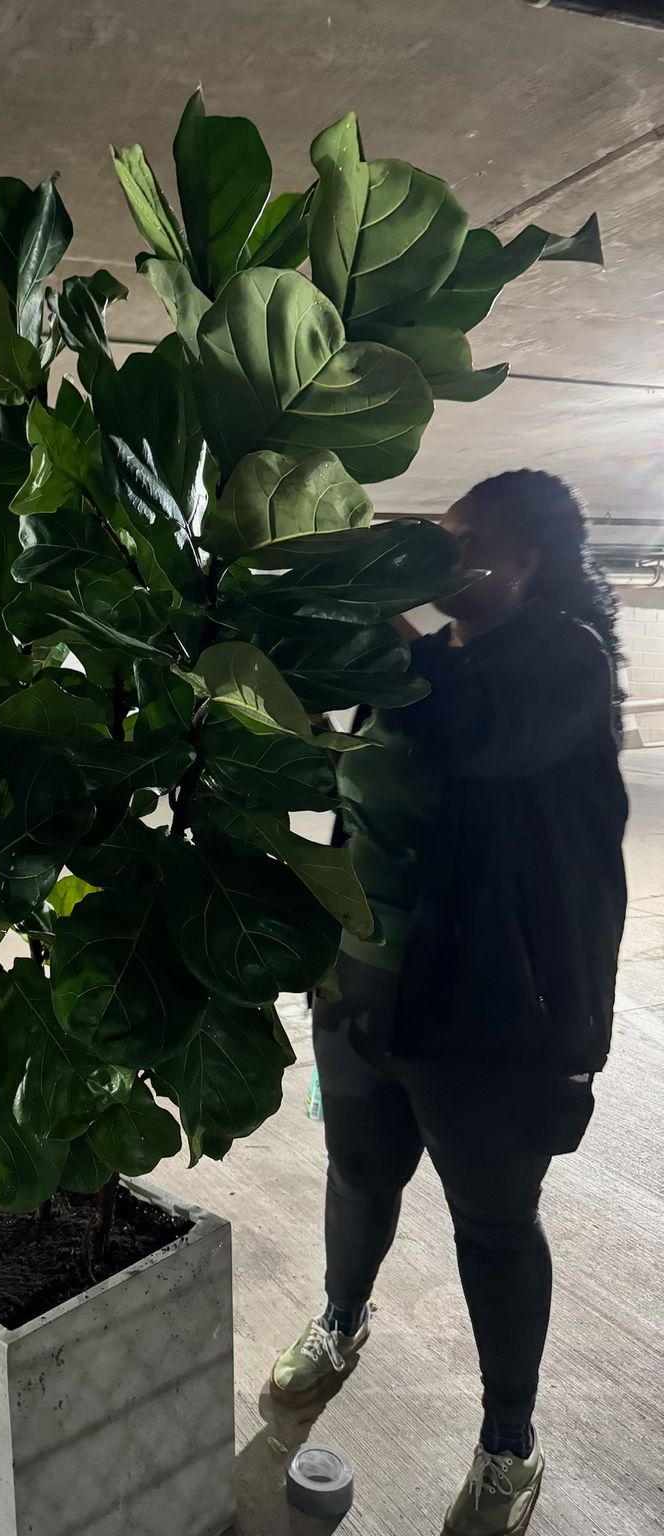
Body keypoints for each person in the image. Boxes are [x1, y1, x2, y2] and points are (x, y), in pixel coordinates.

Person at [270, 471, 628, 1536]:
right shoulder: (424, 662)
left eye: (462, 540)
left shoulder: (563, 658)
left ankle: (509, 1440)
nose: (441, 551)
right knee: (358, 1172)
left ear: (522, 563)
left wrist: (391, 607)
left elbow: (474, 735)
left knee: (494, 1224)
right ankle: (342, 1321)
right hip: (363, 982)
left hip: (488, 1010)